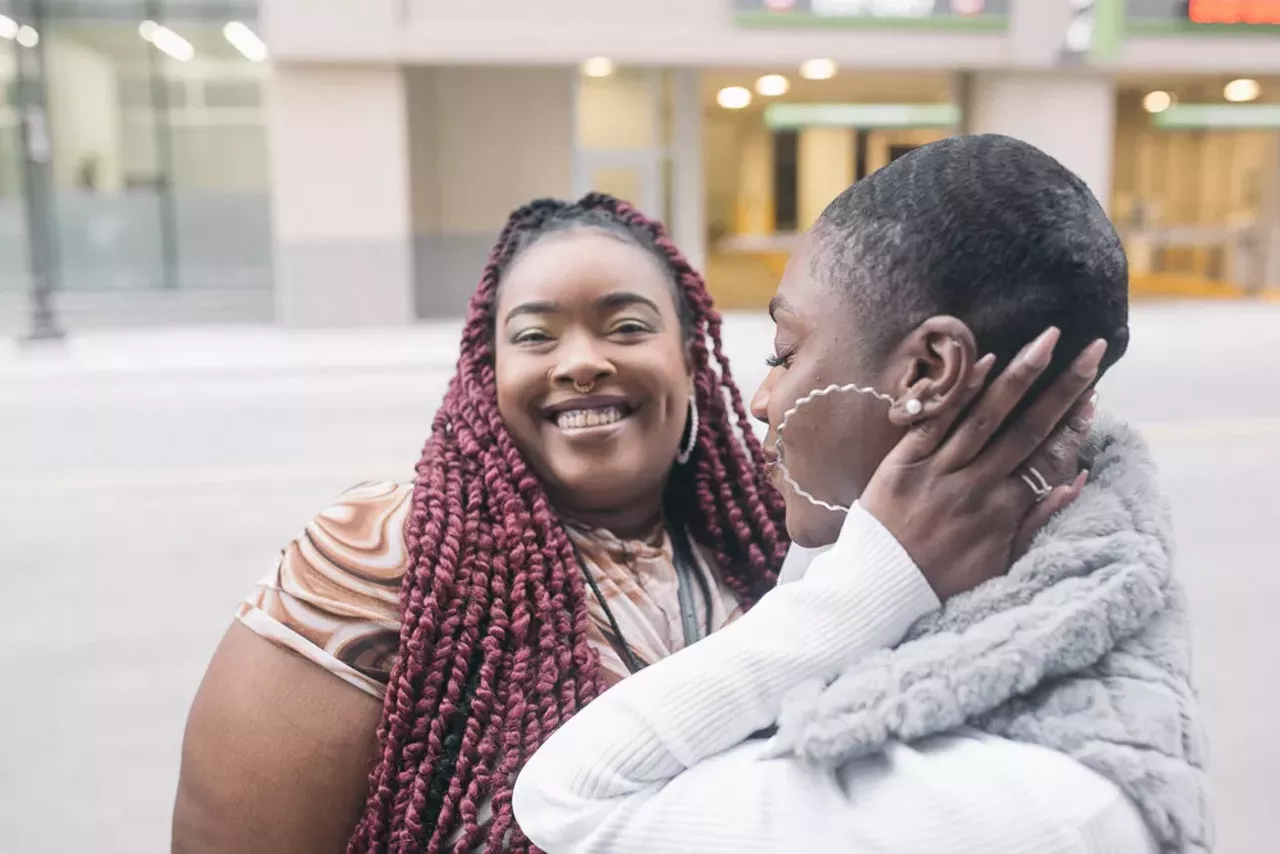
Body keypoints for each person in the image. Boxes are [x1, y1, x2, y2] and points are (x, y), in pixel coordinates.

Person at [172, 192, 1088, 853]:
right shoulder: (378, 558)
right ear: (482, 379)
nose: (579, 362)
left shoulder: (784, 545)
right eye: (534, 336)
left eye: (624, 326)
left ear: (693, 360)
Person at [512, 136, 1210, 853]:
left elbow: (569, 797)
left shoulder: (1019, 809)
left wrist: (878, 580)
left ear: (930, 371)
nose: (760, 398)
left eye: (785, 352)